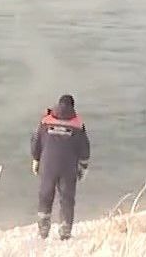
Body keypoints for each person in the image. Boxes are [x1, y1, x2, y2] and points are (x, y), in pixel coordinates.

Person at [30, 94, 90, 240]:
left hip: (48, 165)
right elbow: (84, 148)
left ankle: (43, 231)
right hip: (68, 167)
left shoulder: (45, 121)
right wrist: (83, 167)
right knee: (67, 198)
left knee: (45, 196)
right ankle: (65, 232)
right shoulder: (78, 125)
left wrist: (36, 159)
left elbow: (36, 141)